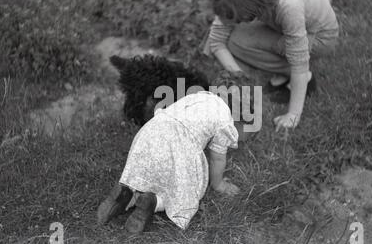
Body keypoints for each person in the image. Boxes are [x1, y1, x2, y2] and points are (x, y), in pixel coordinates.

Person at [97, 75, 256, 233]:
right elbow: (218, 158)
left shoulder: (197, 97)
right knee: (186, 193)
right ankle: (153, 202)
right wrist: (218, 184)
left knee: (146, 173)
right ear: (240, 115)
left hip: (151, 131)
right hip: (179, 143)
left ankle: (127, 193)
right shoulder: (224, 120)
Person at [203, 0, 339, 131]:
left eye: (239, 18)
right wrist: (240, 81)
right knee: (235, 41)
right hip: (284, 27)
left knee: (291, 54)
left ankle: (304, 79)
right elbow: (216, 40)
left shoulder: (289, 6)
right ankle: (282, 72)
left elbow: (299, 63)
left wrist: (293, 115)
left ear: (254, 9)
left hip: (320, 37)